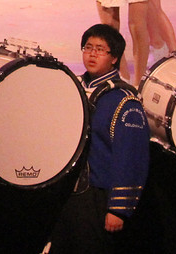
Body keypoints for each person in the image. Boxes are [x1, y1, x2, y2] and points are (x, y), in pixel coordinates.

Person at [48, 23, 149, 254]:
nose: (92, 54)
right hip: (68, 193)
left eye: (100, 49)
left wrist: (119, 208)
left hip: (98, 196)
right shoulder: (72, 88)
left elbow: (131, 157)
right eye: (88, 47)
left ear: (114, 58)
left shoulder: (124, 100)